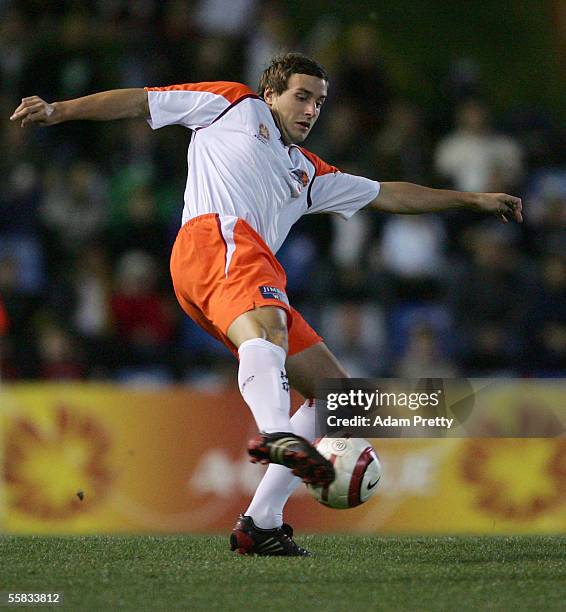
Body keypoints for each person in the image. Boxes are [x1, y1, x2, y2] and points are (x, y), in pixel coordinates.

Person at [10, 52, 523, 556]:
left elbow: (388, 194)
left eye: (319, 102)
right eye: (301, 96)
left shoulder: (308, 172)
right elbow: (140, 102)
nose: (310, 110)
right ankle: (277, 434)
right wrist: (60, 110)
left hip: (236, 272)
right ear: (270, 93)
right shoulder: (233, 105)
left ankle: (260, 521)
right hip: (216, 241)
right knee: (270, 329)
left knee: (340, 398)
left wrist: (472, 200)